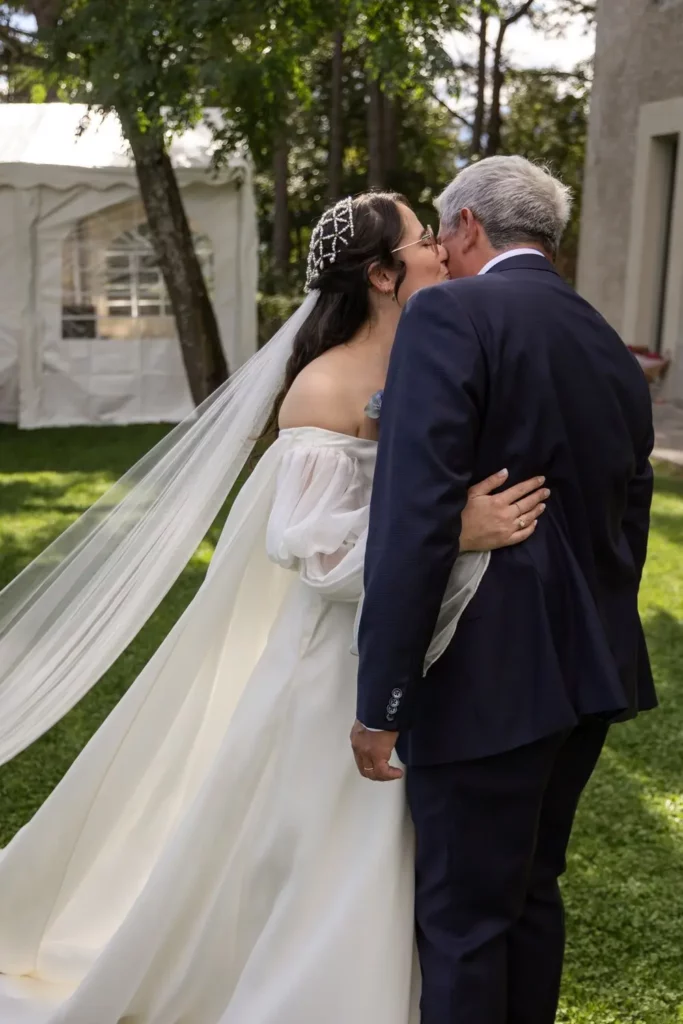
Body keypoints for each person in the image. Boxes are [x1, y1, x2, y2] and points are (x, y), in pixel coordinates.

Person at [0, 191, 547, 1024]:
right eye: (421, 241)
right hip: (335, 665)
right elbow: (324, 558)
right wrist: (458, 532)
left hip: (419, 655)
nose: (440, 251)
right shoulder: (323, 389)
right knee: (339, 851)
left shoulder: (431, 362)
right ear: (381, 275)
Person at [352, 157, 656, 1024]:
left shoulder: (448, 311)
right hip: (586, 679)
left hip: (484, 679)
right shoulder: (604, 336)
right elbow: (625, 514)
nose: (439, 256)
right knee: (528, 896)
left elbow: (412, 518)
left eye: (443, 235)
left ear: (469, 227)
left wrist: (383, 699)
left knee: (462, 923)